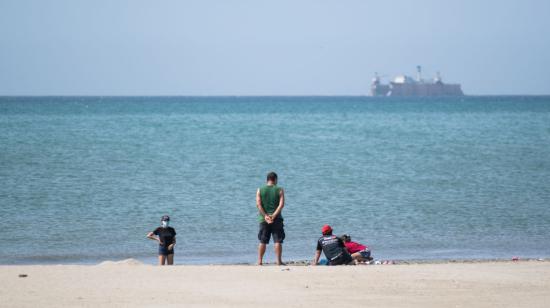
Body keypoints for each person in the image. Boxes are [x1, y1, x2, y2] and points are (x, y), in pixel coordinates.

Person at [256, 171, 285, 265]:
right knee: (277, 240)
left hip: (263, 219)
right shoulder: (280, 189)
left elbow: (258, 205)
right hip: (277, 219)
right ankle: (278, 261)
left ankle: (260, 261)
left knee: (263, 241)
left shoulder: (260, 189)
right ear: (275, 179)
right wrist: (274, 215)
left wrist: (265, 216)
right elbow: (281, 205)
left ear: (267, 180)